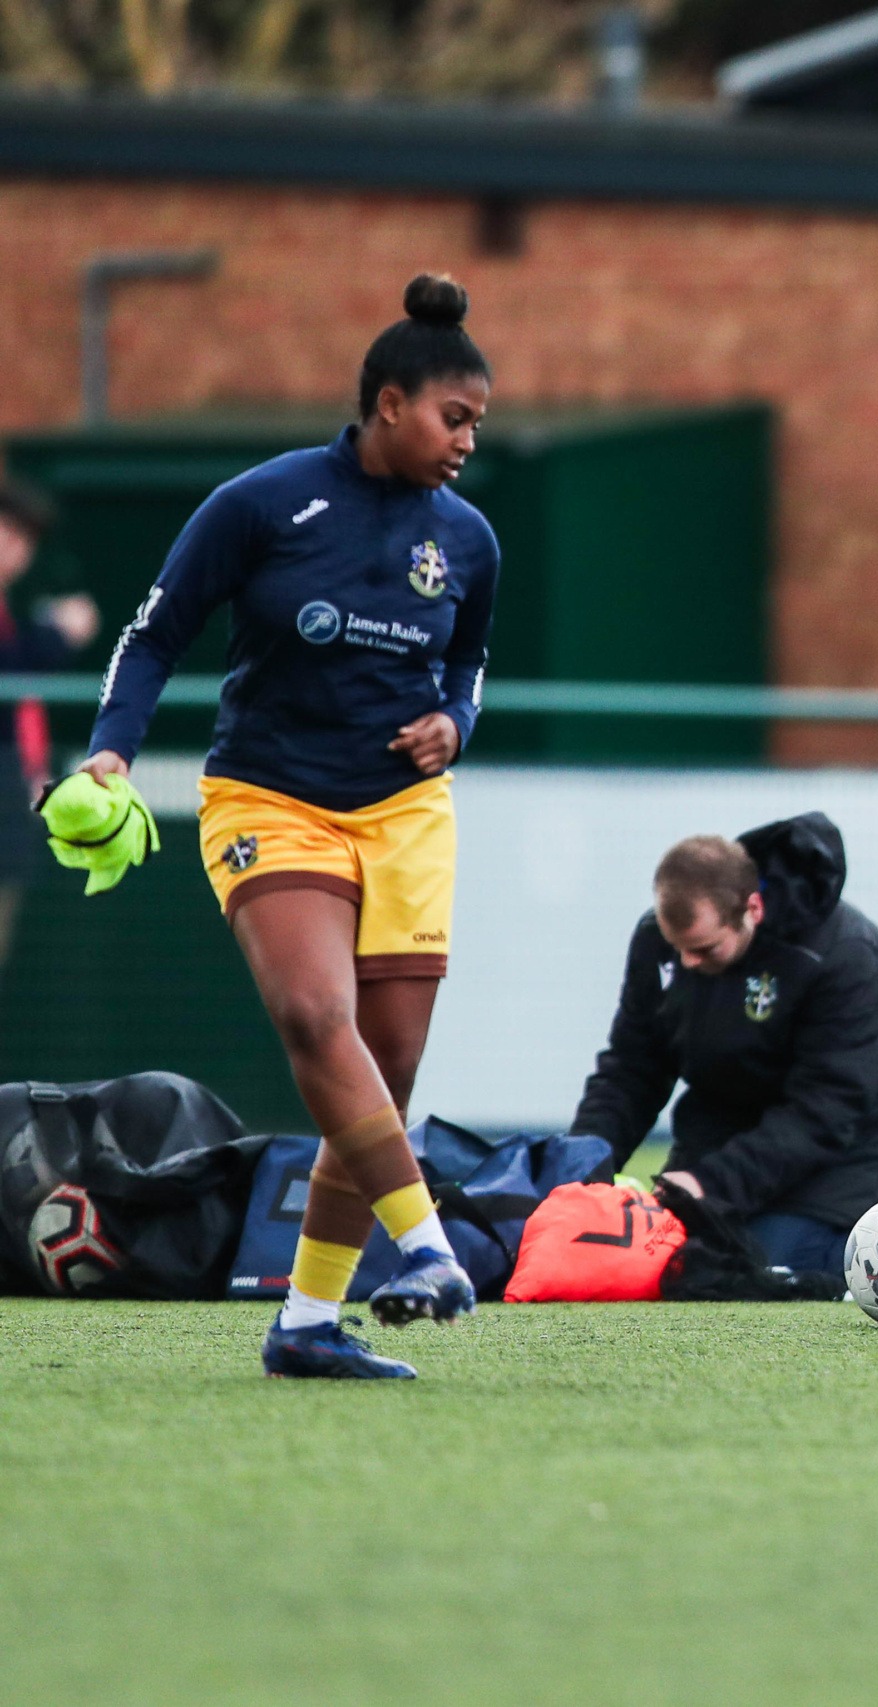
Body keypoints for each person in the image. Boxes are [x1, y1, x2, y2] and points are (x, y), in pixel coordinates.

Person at [75, 274, 500, 1380]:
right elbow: (155, 631)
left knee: (383, 1078)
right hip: (269, 799)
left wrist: (453, 723)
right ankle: (429, 1249)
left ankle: (306, 1324)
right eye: (455, 419)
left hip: (404, 816)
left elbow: (469, 664)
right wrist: (113, 744)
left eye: (478, 426)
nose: (466, 442)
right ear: (390, 402)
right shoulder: (263, 503)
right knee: (318, 1019)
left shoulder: (469, 538)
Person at [568, 816, 878, 1273]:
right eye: (678, 949)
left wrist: (710, 1183)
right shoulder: (660, 940)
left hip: (860, 1114)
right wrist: (578, 1170)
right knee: (676, 1255)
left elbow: (828, 1106)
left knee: (764, 1265)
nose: (687, 963)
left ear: (753, 908)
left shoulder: (843, 954)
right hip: (738, 1093)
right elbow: (633, 1066)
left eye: (705, 950)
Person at [0, 481, 100, 969]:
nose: (17, 550)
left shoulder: (9, 610)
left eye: (25, 539)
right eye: (9, 533)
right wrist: (55, 635)